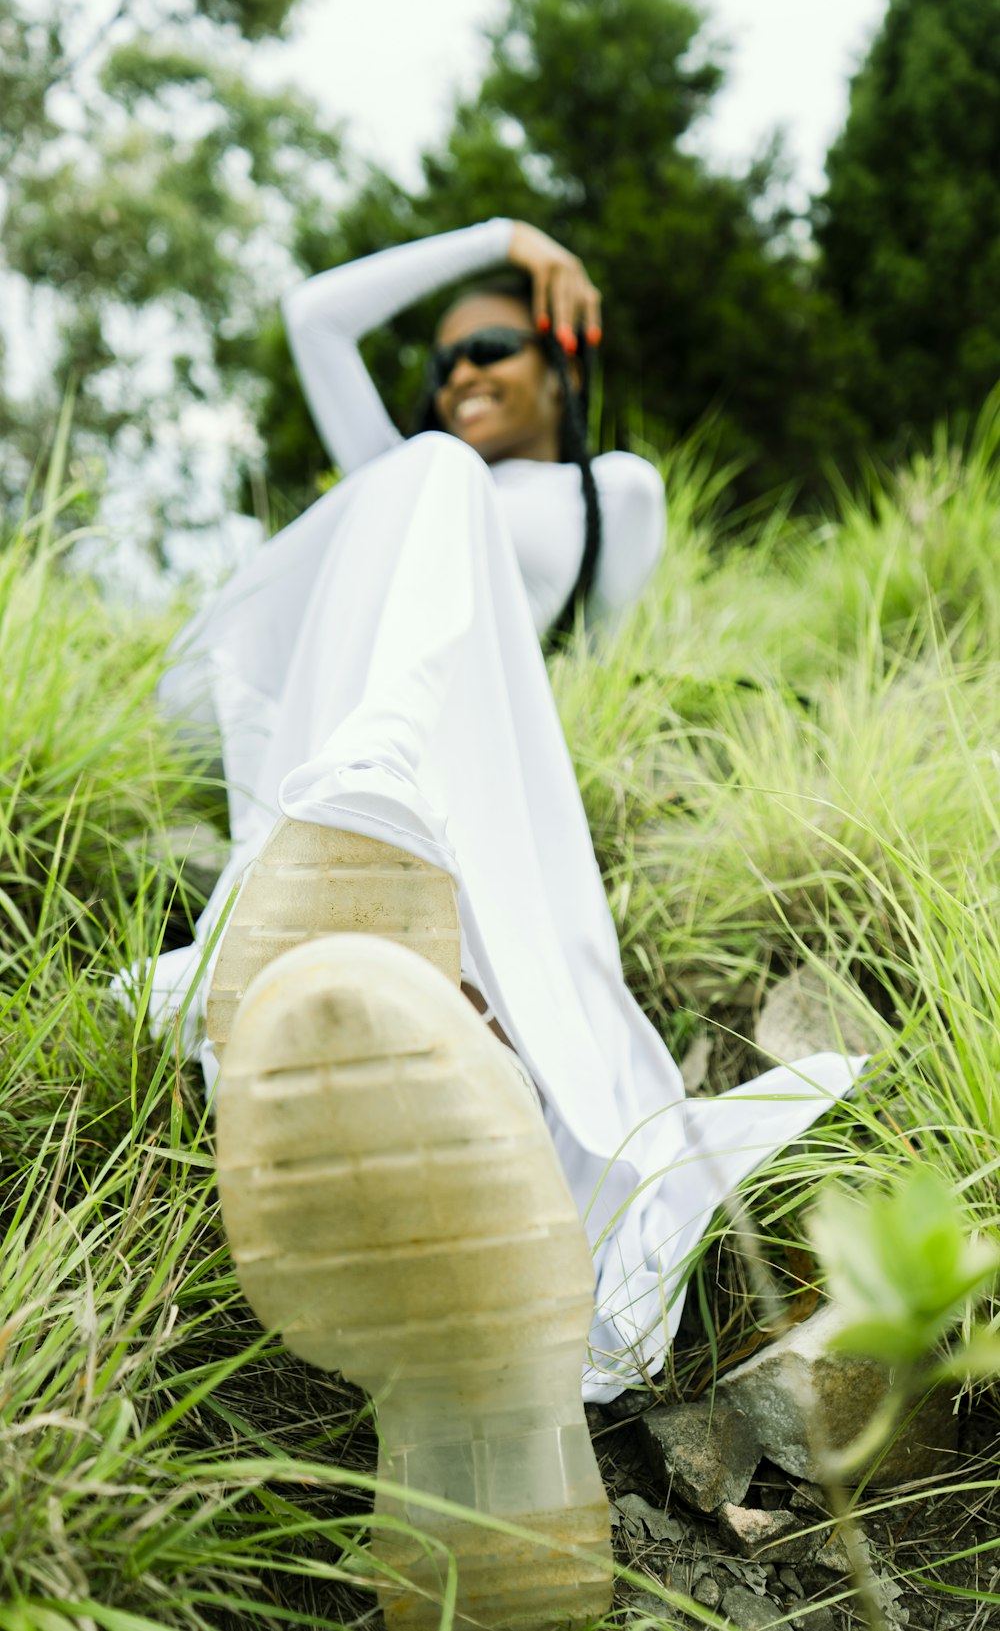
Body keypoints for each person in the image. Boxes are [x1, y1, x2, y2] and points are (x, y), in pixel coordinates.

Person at [150, 217, 862, 1622]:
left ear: (561, 359)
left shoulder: (610, 495)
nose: (463, 370)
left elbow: (575, 680)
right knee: (418, 479)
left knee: (434, 520)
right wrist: (501, 239)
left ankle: (475, 1390)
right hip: (305, 705)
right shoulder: (408, 483)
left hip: (477, 755)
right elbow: (310, 316)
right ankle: (370, 856)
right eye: (443, 358)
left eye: (496, 345)